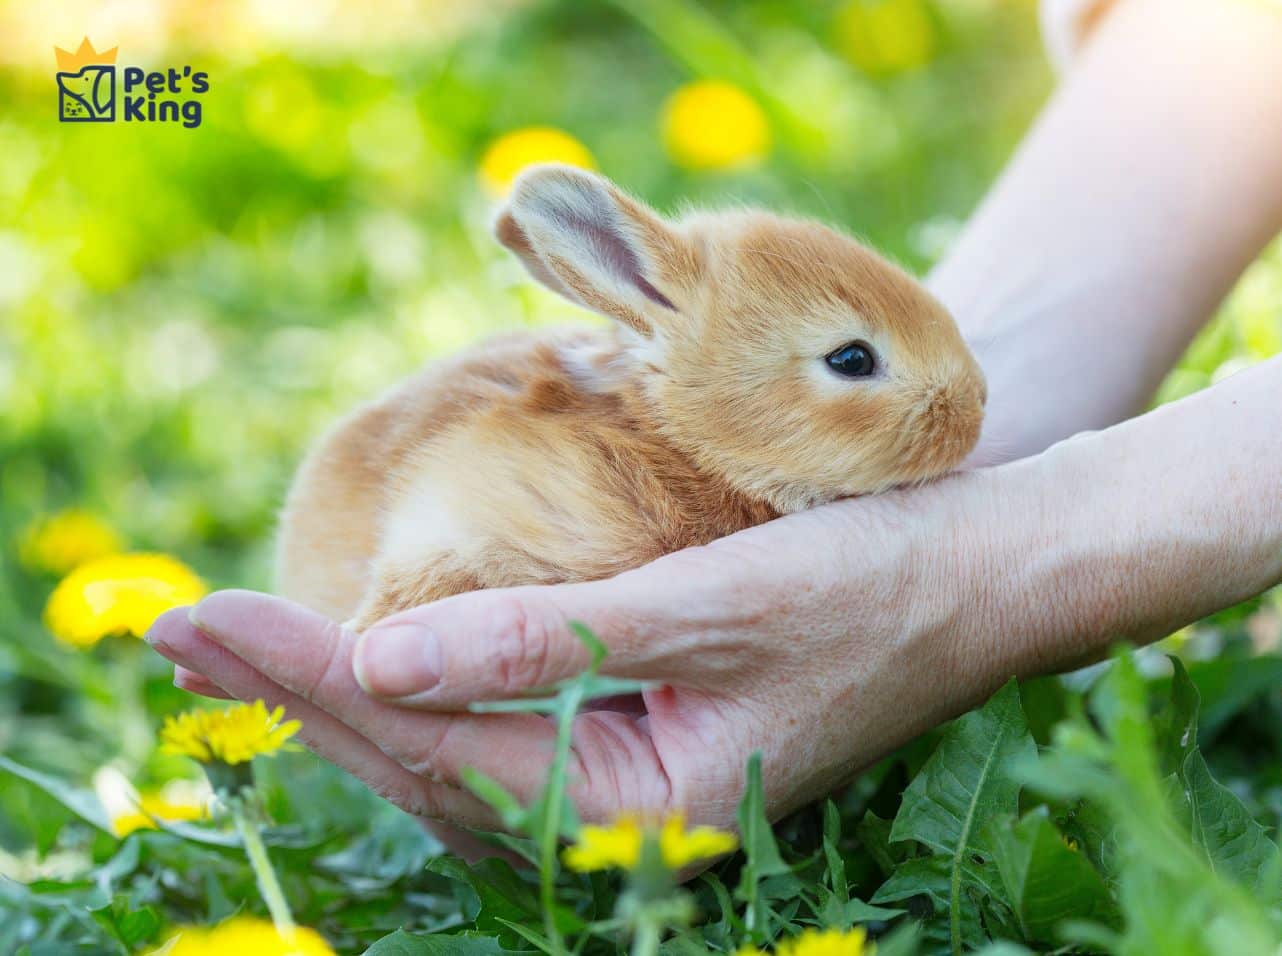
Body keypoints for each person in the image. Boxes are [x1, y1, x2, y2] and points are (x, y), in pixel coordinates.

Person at [147, 0, 1282, 832]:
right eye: (851, 362)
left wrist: (1023, 561)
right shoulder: (610, 484)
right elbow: (440, 519)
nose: (966, 402)